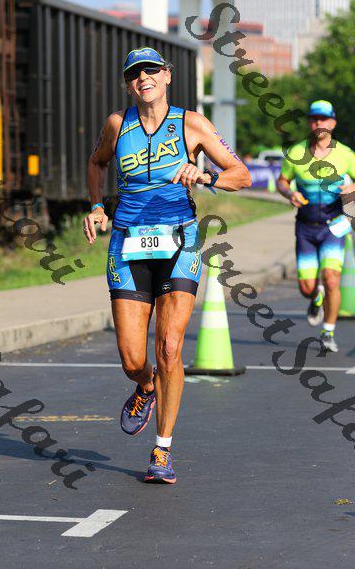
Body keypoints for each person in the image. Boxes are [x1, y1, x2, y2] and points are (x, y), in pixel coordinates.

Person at [83, 47, 251, 484]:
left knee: (171, 349)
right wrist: (97, 207)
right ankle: (146, 386)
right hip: (127, 244)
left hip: (180, 242)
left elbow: (241, 174)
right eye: (135, 74)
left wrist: (205, 175)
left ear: (167, 76)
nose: (144, 78)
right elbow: (97, 163)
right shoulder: (117, 125)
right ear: (128, 84)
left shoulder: (191, 123)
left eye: (151, 71)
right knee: (132, 358)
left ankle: (162, 450)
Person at [277, 100, 355, 352]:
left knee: (332, 279)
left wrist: (352, 187)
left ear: (332, 123)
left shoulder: (346, 154)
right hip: (306, 228)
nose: (318, 123)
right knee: (306, 287)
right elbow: (282, 181)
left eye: (323, 119)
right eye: (314, 119)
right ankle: (315, 296)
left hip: (334, 226)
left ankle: (328, 332)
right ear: (310, 123)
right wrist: (289, 193)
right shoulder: (296, 152)